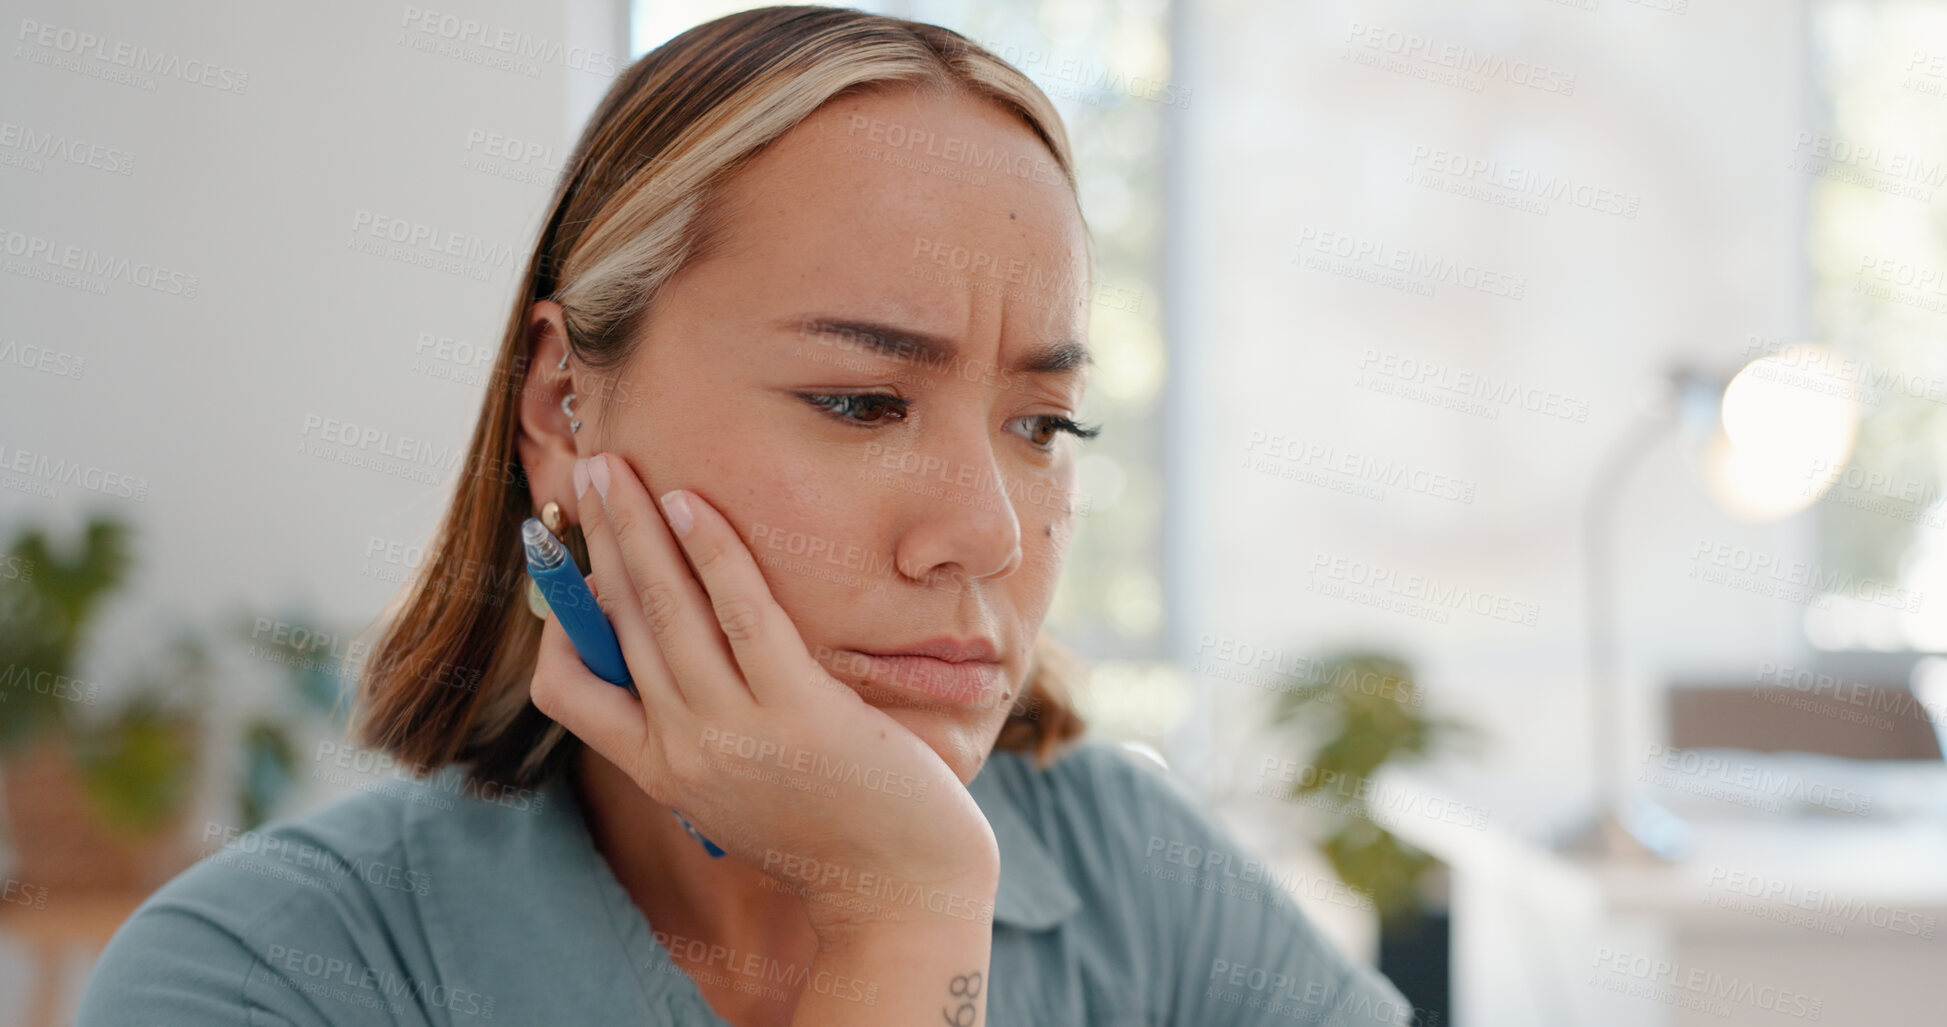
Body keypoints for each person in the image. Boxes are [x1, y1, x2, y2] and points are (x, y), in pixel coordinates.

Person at [76, 6, 1412, 1025]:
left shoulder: (1146, 880)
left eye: (1044, 426)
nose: (991, 536)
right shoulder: (265, 973)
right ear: (561, 403)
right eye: (859, 404)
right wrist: (903, 921)